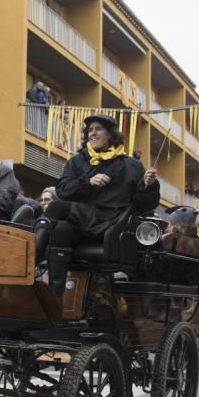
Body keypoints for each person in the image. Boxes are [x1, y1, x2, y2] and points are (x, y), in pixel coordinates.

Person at [35, 114, 159, 302]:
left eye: (98, 129)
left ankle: (30, 260)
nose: (92, 133)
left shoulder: (131, 165)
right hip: (79, 222)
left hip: (111, 224)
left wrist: (149, 185)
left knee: (56, 207)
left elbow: (144, 206)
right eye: (90, 130)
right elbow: (62, 190)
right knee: (60, 229)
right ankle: (55, 300)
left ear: (110, 134)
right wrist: (88, 182)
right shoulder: (77, 162)